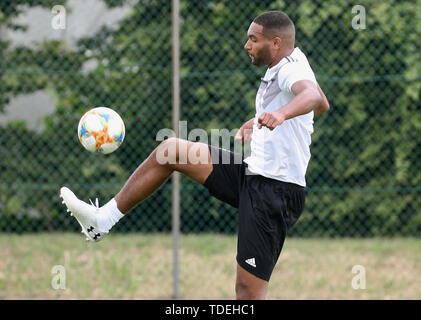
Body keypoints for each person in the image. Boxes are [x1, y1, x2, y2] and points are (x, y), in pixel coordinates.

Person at [60, 10, 330, 300]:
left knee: (248, 293)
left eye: (253, 39)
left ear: (276, 43)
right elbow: (322, 103)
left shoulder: (291, 68)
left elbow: (313, 97)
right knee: (170, 151)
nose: (246, 45)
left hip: (274, 191)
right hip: (253, 174)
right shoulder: (290, 63)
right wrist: (270, 119)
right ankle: (103, 220)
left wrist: (281, 113)